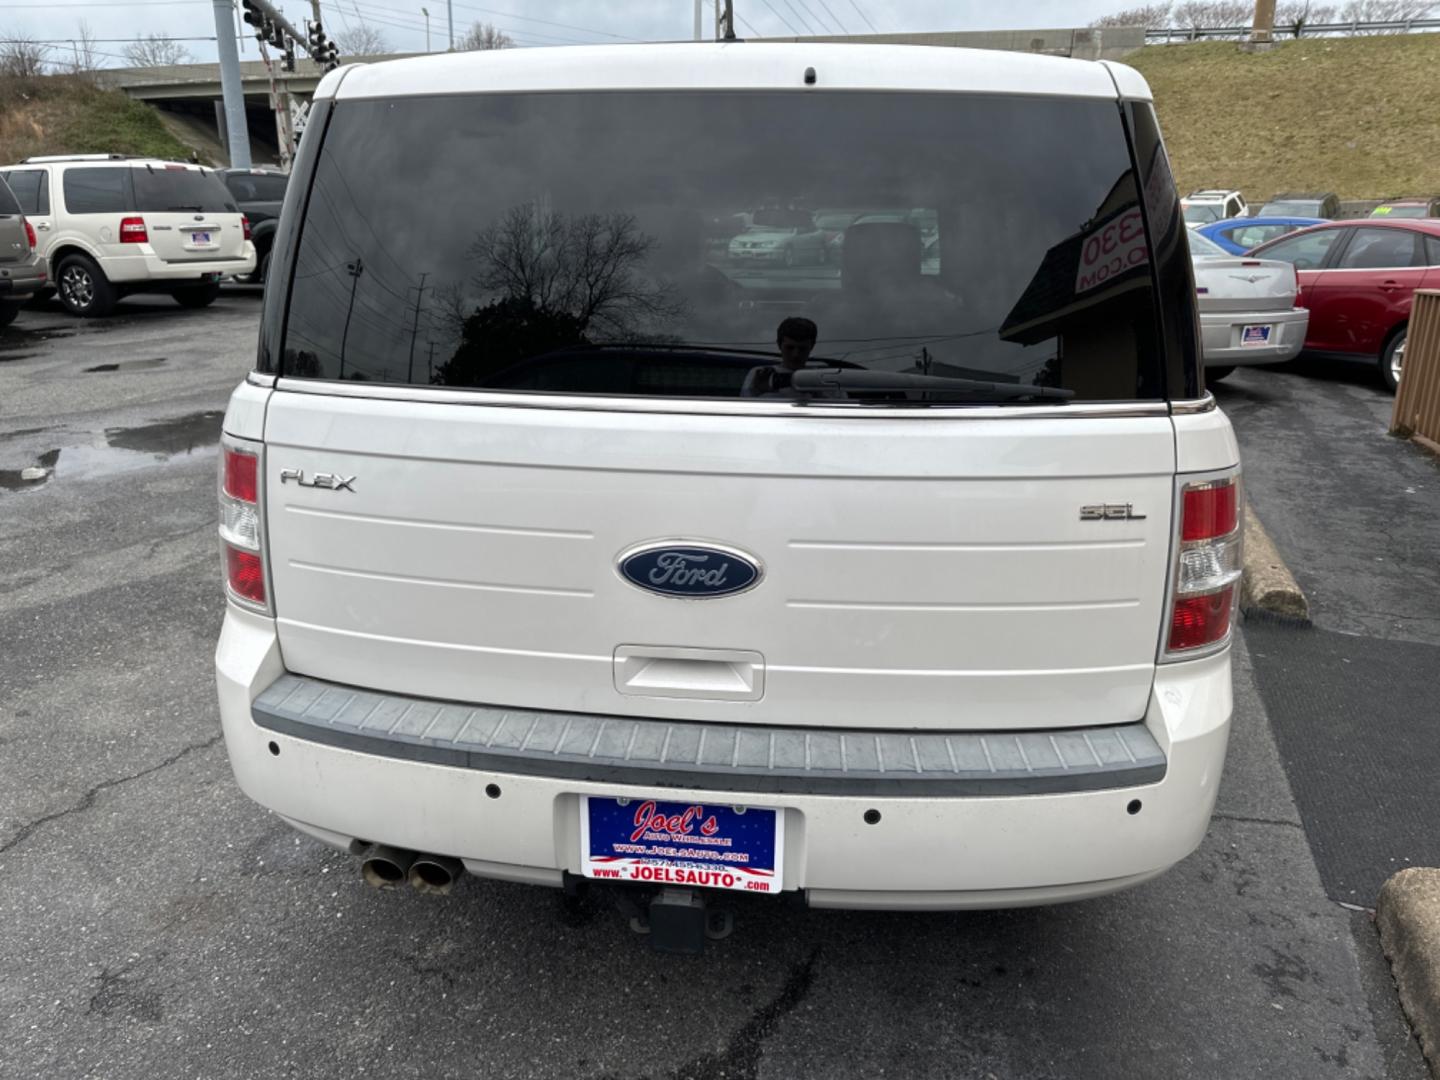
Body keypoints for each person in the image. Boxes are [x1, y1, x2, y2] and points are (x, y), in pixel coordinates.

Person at [740, 316, 819, 397]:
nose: (796, 354)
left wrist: (816, 392)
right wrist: (758, 391)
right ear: (779, 345)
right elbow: (744, 405)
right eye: (789, 348)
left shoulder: (820, 377)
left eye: (802, 349)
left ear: (812, 346)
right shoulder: (761, 374)